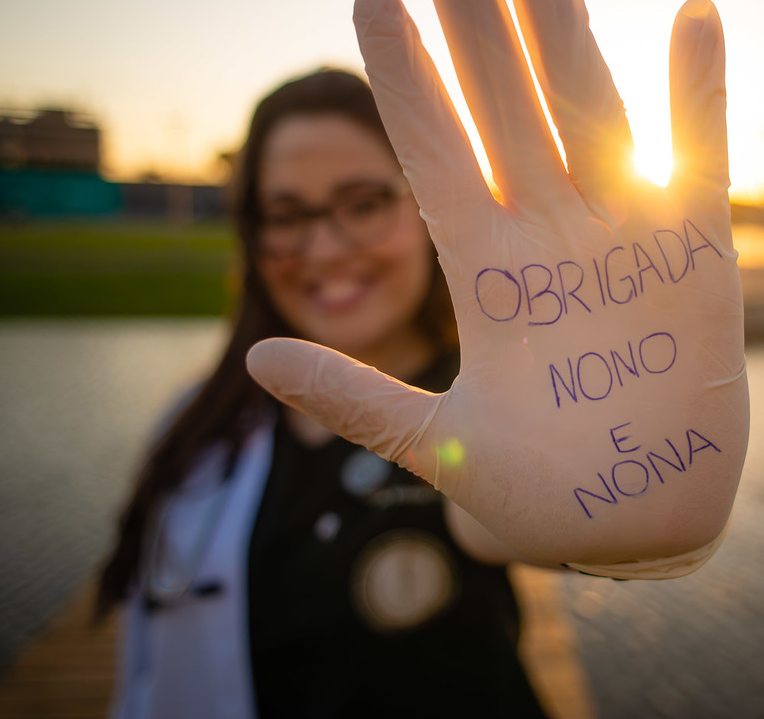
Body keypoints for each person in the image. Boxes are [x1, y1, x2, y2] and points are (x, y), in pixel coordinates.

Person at [97, 68, 549, 718]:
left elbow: (525, 521)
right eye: (286, 215)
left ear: (426, 209)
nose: (326, 248)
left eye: (363, 203)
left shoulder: (487, 401)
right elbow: (146, 664)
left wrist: (610, 505)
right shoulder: (196, 424)